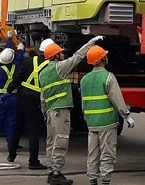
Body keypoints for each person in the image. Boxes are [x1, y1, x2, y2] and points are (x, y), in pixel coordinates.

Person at [39, 35, 104, 185]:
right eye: (60, 53)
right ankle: (56, 173)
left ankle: (51, 171)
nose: (62, 54)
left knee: (51, 142)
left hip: (50, 112)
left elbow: (42, 97)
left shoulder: (42, 73)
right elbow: (78, 56)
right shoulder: (60, 68)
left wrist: (45, 113)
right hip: (60, 111)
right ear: (56, 55)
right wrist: (91, 42)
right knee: (60, 141)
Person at [80, 45, 135, 185]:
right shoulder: (108, 77)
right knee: (107, 154)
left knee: (92, 153)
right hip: (107, 123)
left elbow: (83, 104)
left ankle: (92, 179)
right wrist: (126, 116)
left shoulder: (84, 79)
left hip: (92, 124)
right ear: (103, 58)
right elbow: (117, 99)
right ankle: (105, 181)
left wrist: (87, 119)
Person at [6, 39, 54, 169]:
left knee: (17, 126)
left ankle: (11, 154)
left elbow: (18, 78)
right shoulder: (50, 66)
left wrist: (8, 91)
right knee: (33, 130)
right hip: (35, 100)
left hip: (21, 96)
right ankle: (33, 161)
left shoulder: (28, 61)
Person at [0, 44, 24, 152]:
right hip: (13, 97)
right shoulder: (16, 66)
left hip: (0, 98)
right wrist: (20, 50)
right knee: (11, 122)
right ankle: (12, 145)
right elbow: (19, 58)